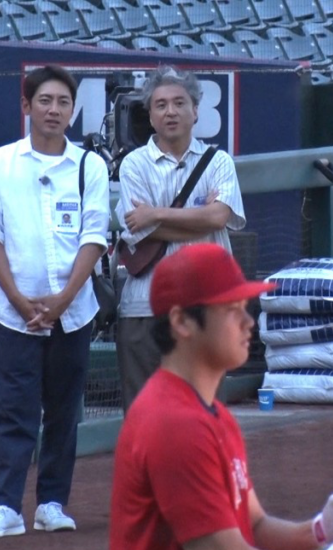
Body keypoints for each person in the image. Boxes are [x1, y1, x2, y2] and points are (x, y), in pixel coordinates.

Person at [109, 243, 333, 550]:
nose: (249, 321)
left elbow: (255, 527)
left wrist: (320, 529)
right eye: (231, 308)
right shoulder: (174, 424)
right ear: (182, 322)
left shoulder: (212, 415)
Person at [0, 66, 110, 538]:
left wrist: (62, 299)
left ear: (73, 109)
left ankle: (52, 503)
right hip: (16, 315)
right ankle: (6, 507)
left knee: (64, 409)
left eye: (63, 102)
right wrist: (18, 299)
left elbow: (94, 235)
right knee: (12, 408)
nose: (54, 110)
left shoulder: (91, 165)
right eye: (45, 101)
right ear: (27, 106)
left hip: (74, 312)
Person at [115, 65, 246, 412]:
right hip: (144, 306)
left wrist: (156, 213)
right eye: (160, 105)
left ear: (195, 110)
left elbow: (220, 217)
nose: (170, 112)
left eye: (178, 103)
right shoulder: (133, 164)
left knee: (203, 415)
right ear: (150, 114)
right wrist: (198, 219)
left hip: (207, 306)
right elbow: (139, 229)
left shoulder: (218, 161)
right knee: (145, 415)